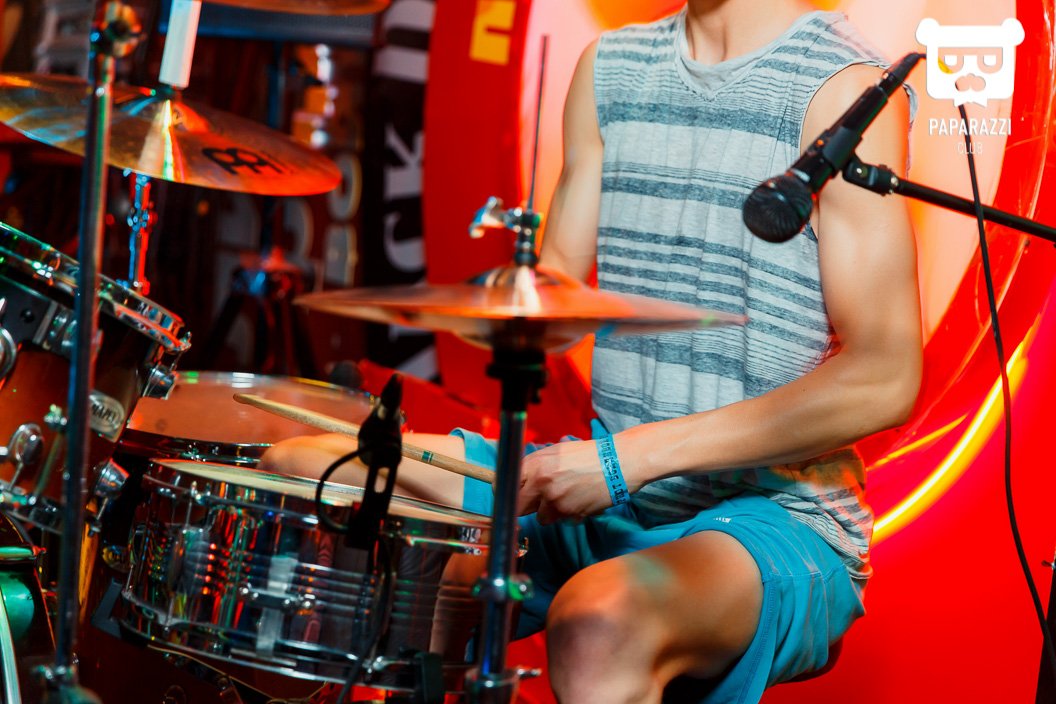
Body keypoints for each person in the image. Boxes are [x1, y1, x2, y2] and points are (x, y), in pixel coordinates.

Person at [261, 1, 922, 702]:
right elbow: (554, 299)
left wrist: (626, 460)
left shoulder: (843, 90)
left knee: (597, 620)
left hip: (774, 516)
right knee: (305, 474)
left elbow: (883, 378)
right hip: (609, 492)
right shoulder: (610, 68)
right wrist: (499, 299)